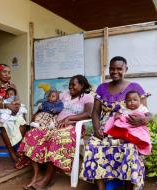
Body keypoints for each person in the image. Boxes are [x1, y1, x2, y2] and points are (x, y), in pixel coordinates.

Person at [80, 56, 151, 190]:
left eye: (119, 68)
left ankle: (128, 186)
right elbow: (95, 112)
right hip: (106, 130)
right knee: (93, 146)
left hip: (129, 130)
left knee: (130, 148)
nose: (115, 71)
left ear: (126, 69)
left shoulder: (136, 87)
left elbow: (147, 112)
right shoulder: (102, 88)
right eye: (112, 69)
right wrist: (96, 130)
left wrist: (143, 120)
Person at [19, 75, 94, 189]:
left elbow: (88, 113)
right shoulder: (64, 94)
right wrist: (39, 111)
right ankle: (36, 174)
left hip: (73, 128)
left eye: (73, 85)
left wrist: (69, 118)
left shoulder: (87, 97)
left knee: (57, 137)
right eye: (69, 85)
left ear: (82, 85)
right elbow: (51, 98)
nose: (70, 88)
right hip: (54, 124)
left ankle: (48, 177)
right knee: (32, 134)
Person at [0, 64, 28, 169]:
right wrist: (6, 105)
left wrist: (15, 102)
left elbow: (17, 101)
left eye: (9, 72)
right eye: (4, 72)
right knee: (4, 125)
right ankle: (14, 156)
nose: (7, 74)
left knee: (22, 122)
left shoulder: (11, 85)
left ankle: (18, 150)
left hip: (10, 111)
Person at [104, 90, 151, 155]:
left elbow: (149, 115)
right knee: (117, 128)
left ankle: (140, 148)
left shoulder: (142, 108)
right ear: (125, 102)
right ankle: (116, 141)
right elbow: (118, 113)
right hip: (125, 127)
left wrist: (145, 118)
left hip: (136, 127)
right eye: (129, 100)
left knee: (139, 138)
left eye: (135, 100)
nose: (132, 102)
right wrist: (117, 115)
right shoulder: (124, 109)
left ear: (139, 100)